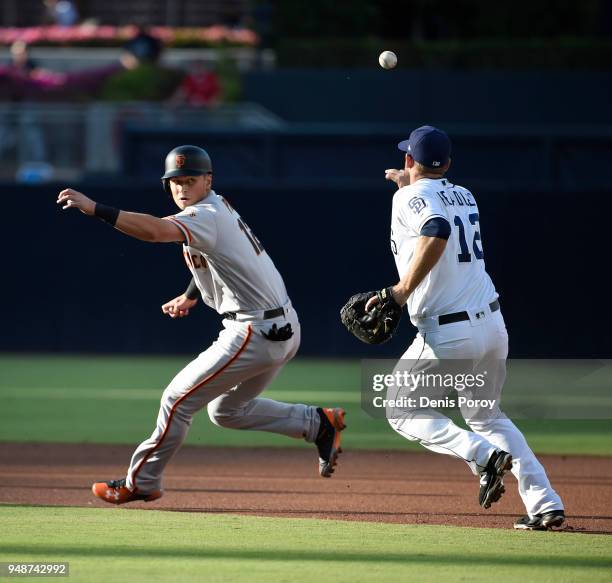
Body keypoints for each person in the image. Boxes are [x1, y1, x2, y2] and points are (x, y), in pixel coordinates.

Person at [56, 145, 346, 505]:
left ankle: (142, 481)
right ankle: (316, 424)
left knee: (176, 401)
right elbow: (220, 258)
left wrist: (97, 209)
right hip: (281, 325)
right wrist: (191, 295)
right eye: (175, 182)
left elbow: (155, 232)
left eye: (190, 180)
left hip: (254, 331)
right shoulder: (215, 207)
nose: (181, 188)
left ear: (208, 180)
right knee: (225, 411)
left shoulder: (206, 215)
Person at [365, 126, 565, 531]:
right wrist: (410, 186)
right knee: (487, 415)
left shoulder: (410, 196)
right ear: (448, 164)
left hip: (449, 333)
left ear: (408, 160)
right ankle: (545, 502)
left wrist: (400, 292)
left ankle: (482, 456)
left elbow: (436, 230)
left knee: (400, 409)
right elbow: (435, 209)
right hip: (491, 324)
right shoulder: (463, 193)